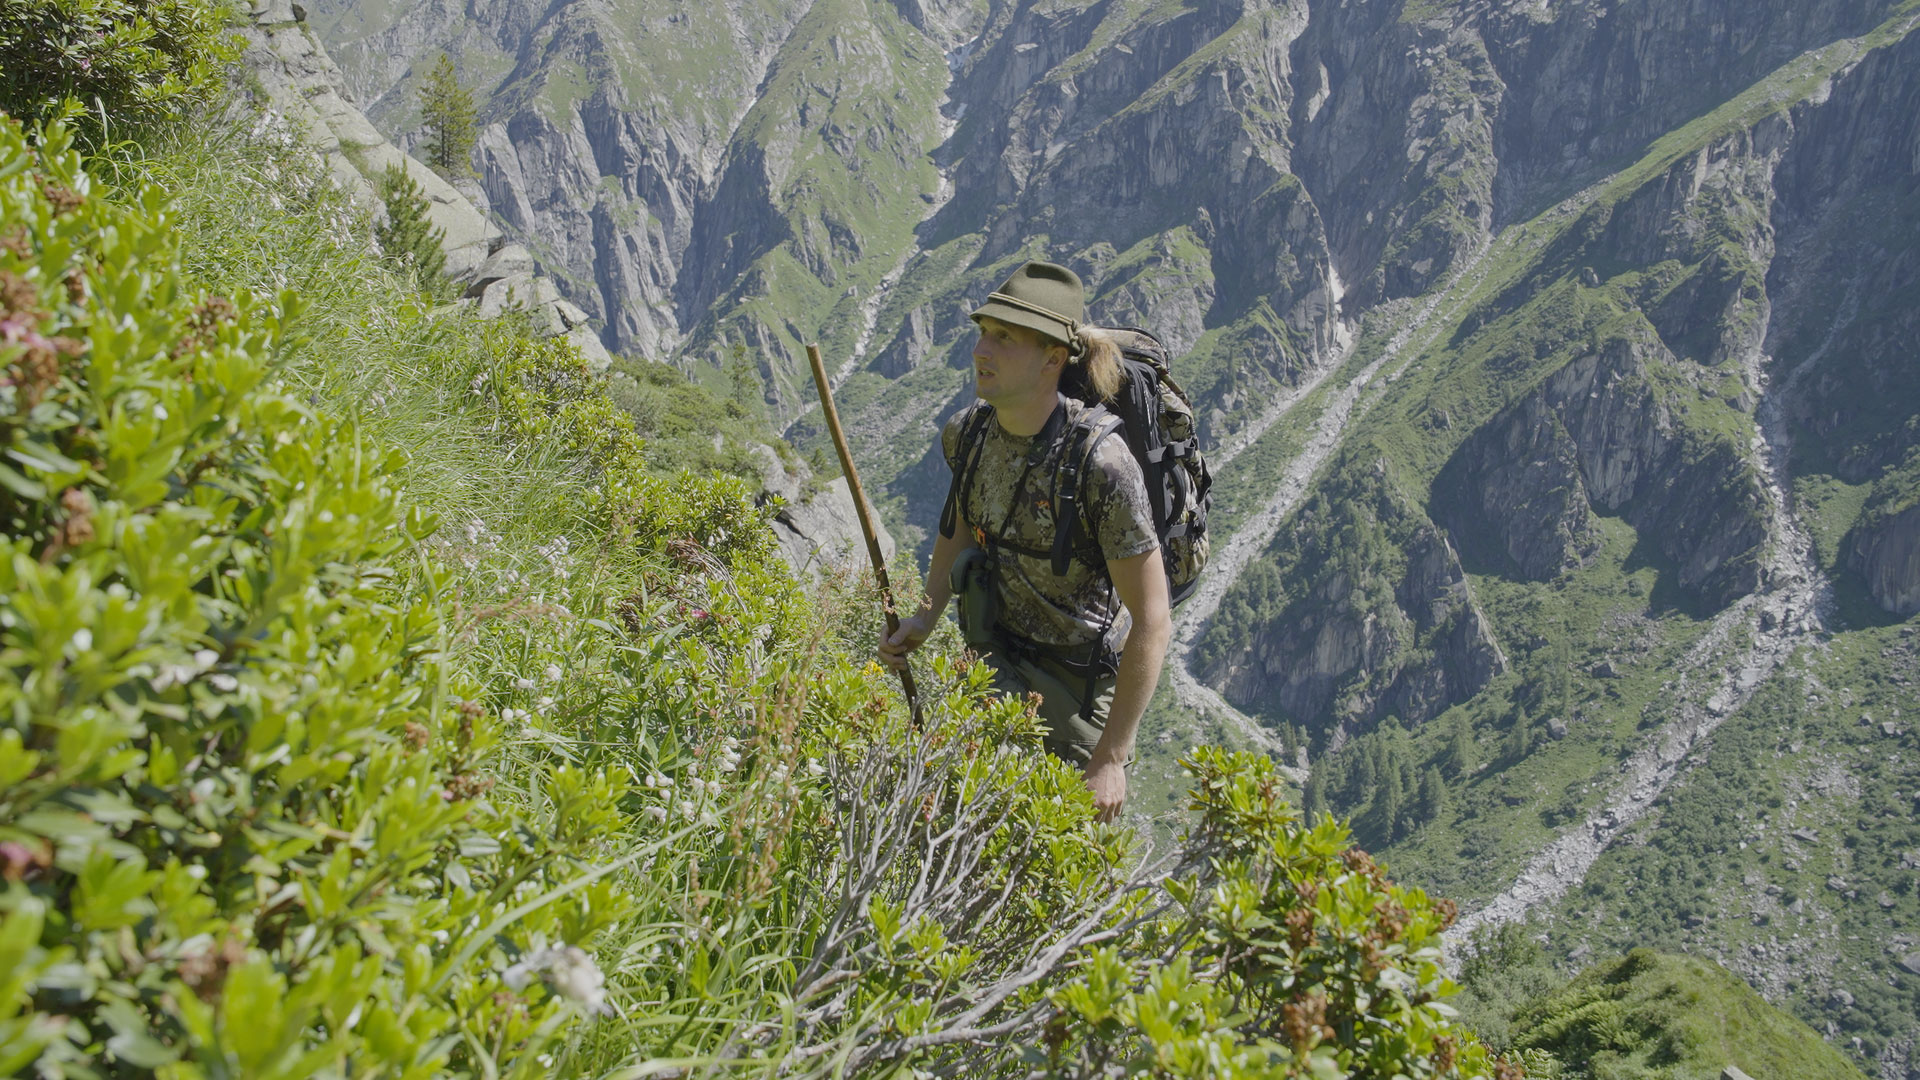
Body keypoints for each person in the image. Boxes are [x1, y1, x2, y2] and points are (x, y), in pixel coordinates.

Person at [878, 261, 1171, 823]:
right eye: (983, 332)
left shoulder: (1101, 466)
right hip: (993, 658)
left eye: (1004, 338)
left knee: (1063, 852)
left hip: (1075, 683)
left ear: (1052, 359)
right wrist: (922, 619)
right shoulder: (967, 434)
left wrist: (1110, 756)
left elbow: (1153, 618)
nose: (981, 350)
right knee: (966, 829)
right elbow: (958, 528)